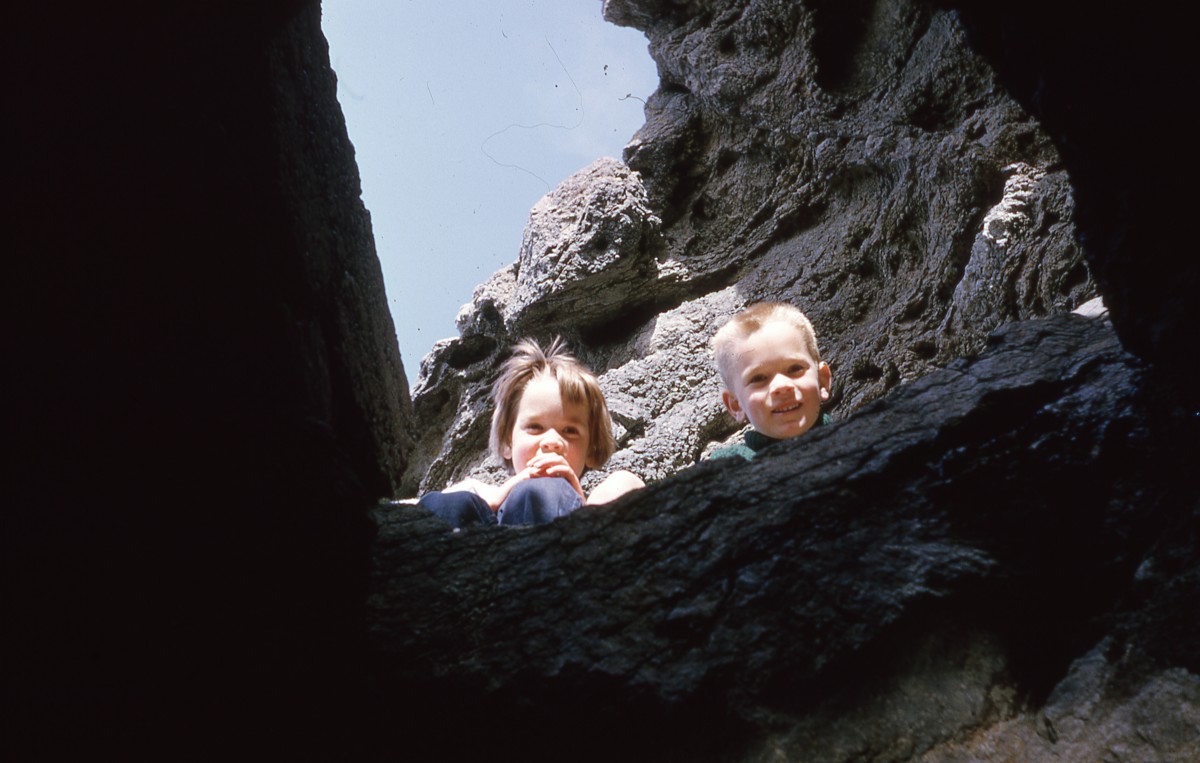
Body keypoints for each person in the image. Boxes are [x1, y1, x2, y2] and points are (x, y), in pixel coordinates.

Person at [418, 337, 645, 527]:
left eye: (570, 431)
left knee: (543, 492)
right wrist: (495, 500)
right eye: (535, 427)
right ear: (508, 441)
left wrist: (584, 510)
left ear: (591, 448)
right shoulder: (473, 490)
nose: (552, 441)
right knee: (454, 502)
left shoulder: (609, 490)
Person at [708, 302, 834, 460]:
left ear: (822, 380)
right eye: (758, 378)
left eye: (795, 369)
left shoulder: (861, 439)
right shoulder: (729, 468)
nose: (781, 386)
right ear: (735, 405)